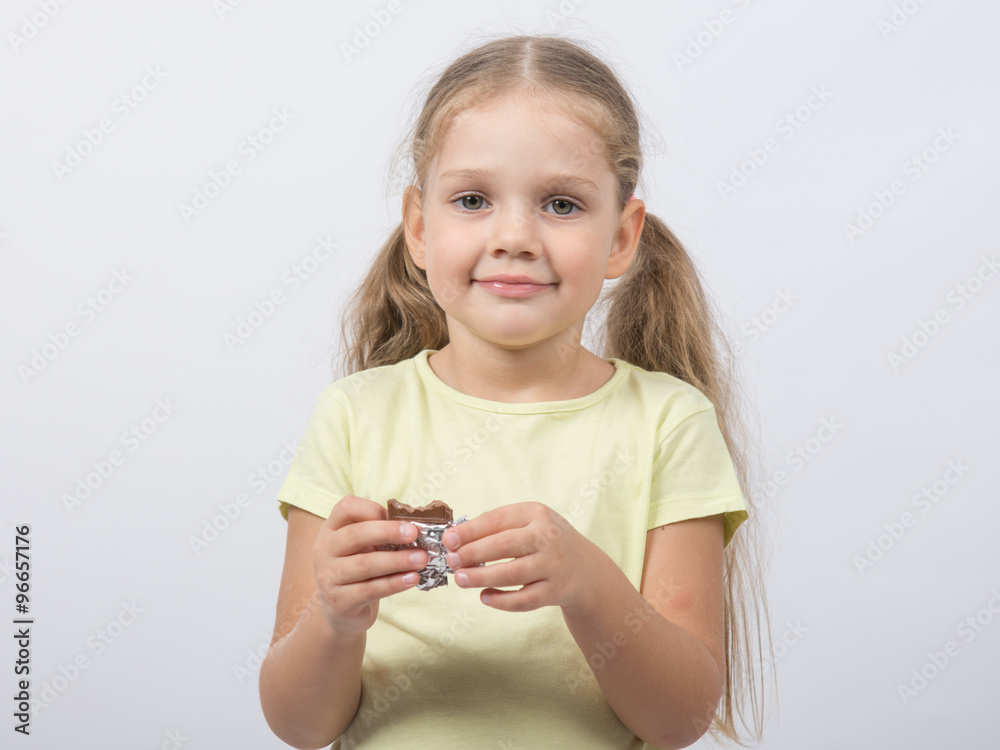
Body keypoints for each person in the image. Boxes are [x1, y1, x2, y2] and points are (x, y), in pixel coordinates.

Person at [259, 33, 771, 750]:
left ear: (622, 238)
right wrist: (337, 619)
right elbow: (298, 723)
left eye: (561, 205)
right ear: (419, 228)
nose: (514, 236)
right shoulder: (354, 416)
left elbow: (680, 718)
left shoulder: (667, 424)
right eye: (472, 199)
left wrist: (588, 584)